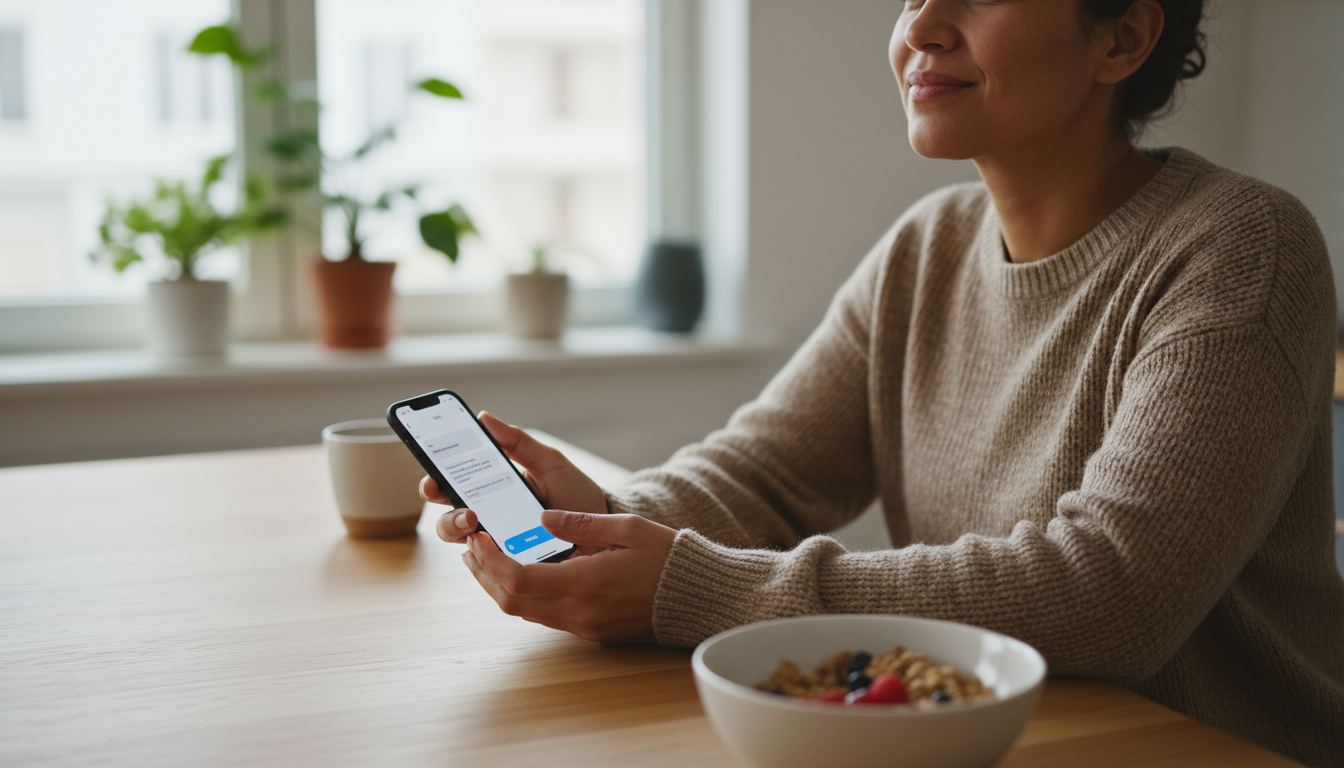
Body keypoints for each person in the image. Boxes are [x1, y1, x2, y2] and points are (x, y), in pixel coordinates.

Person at [422, 1, 1344, 765]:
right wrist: (610, 514)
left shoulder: (1241, 248)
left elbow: (1111, 594)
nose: (923, 27)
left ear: (1122, 39)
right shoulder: (929, 246)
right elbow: (764, 472)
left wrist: (692, 588)